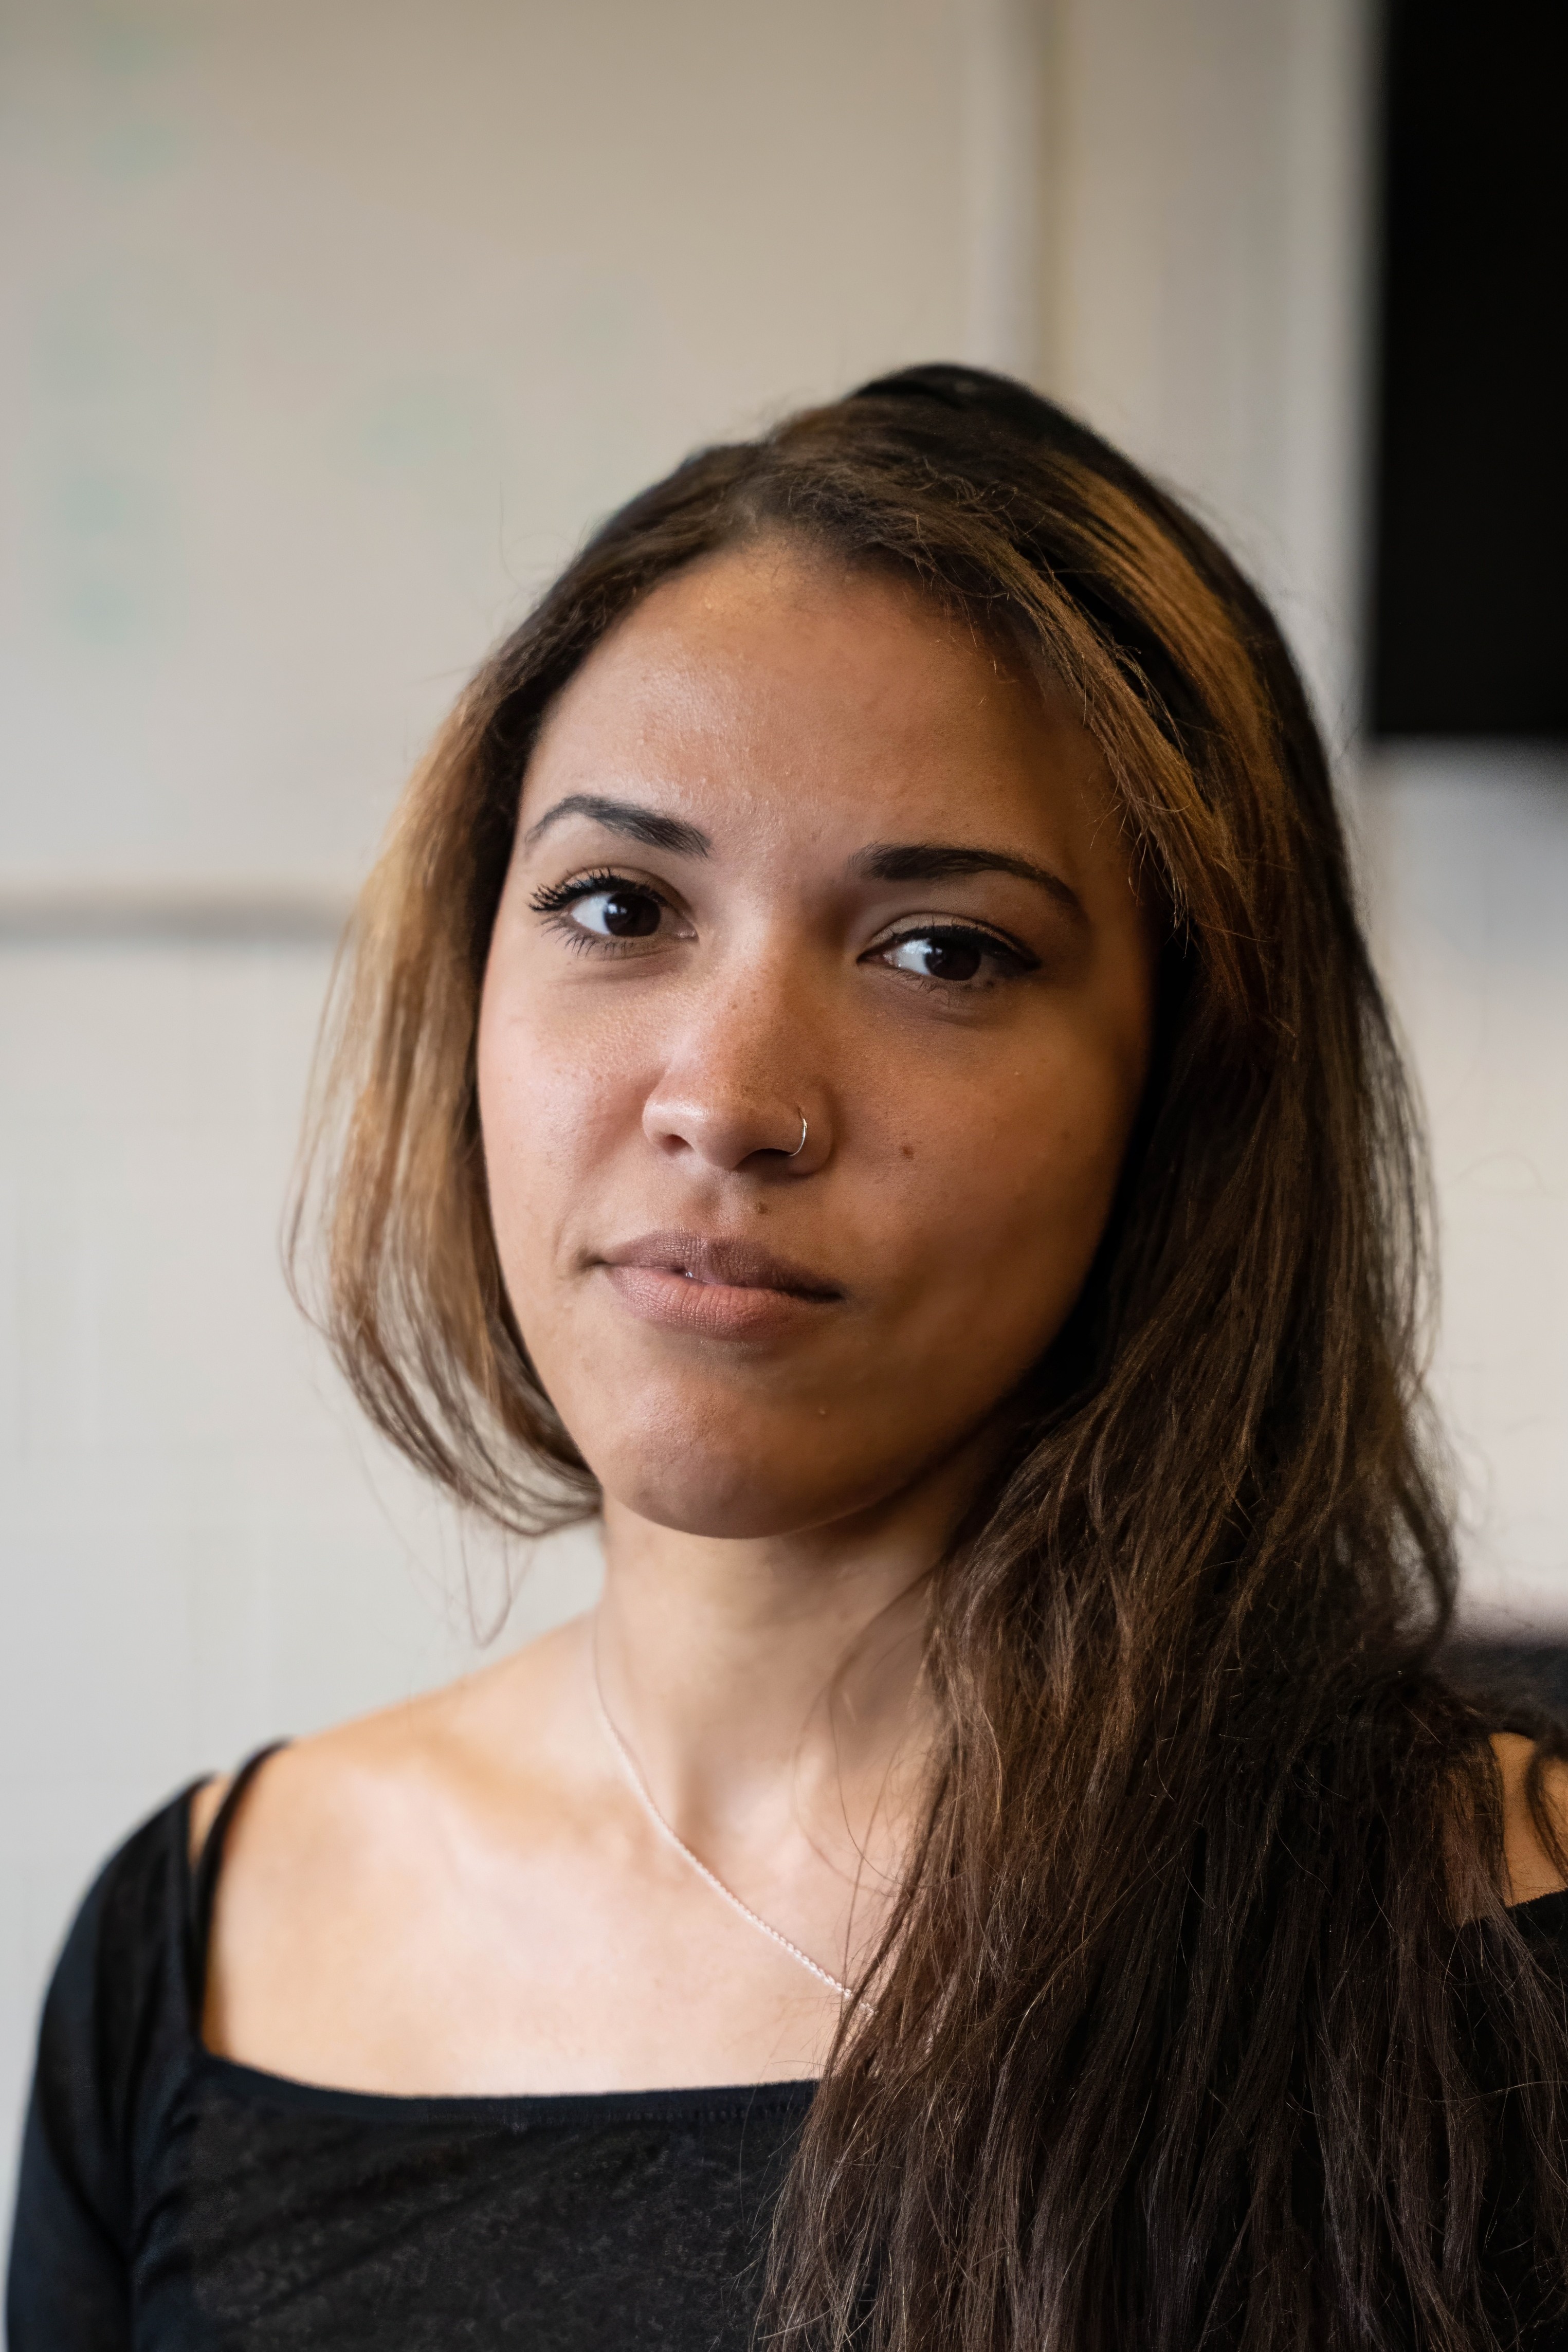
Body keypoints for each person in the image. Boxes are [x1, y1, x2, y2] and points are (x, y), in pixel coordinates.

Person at [8, 364, 1568, 2351]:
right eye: (616, 906)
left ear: (1186, 1087)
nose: (730, 1098)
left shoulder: (1493, 1963)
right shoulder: (203, 1943)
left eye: (944, 951)